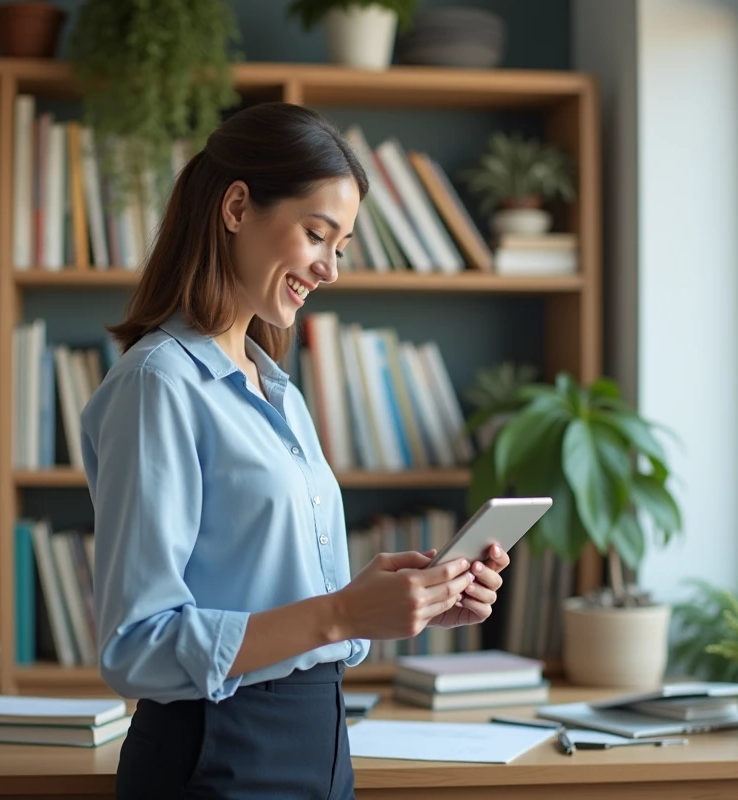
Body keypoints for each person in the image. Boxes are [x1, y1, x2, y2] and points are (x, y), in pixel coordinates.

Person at [79, 102, 512, 800]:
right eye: (317, 234)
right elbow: (137, 647)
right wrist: (341, 613)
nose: (330, 269)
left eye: (341, 247)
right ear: (237, 207)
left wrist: (405, 604)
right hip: (219, 756)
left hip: (320, 744)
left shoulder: (276, 388)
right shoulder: (158, 383)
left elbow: (296, 613)